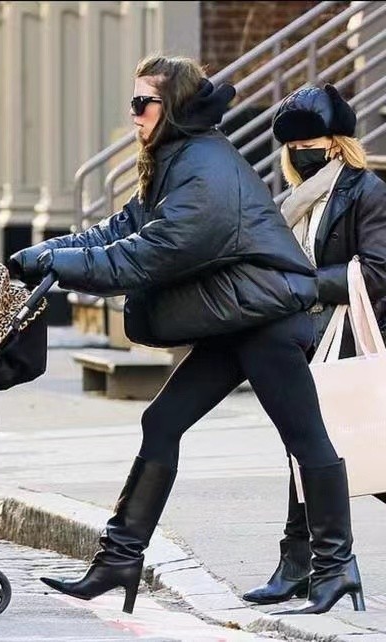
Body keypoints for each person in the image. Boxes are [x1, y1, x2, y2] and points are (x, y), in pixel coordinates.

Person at [8, 55, 364, 616]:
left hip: (266, 324)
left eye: (141, 104)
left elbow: (149, 253)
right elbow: (125, 226)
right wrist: (53, 252)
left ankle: (335, 567)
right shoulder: (177, 157)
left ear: (169, 106)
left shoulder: (206, 171)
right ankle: (119, 559)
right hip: (237, 320)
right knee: (163, 420)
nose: (133, 116)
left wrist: (64, 266)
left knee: (306, 439)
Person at [242, 84, 386, 607]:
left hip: (354, 340)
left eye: (311, 144)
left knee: (361, 452)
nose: (299, 155)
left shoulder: (366, 191)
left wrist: (302, 283)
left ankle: (311, 565)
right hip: (306, 340)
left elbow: (376, 271)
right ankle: (301, 564)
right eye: (293, 147)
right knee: (306, 450)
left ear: (334, 146)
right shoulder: (295, 203)